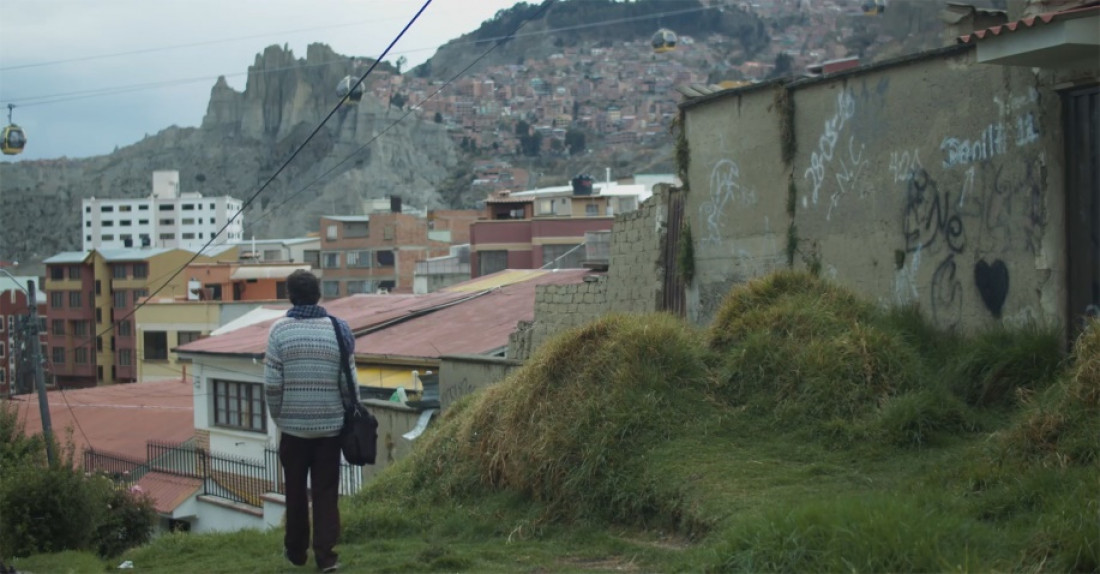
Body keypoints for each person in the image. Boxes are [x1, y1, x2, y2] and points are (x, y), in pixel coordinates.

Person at [265, 269, 359, 572]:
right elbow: (350, 383)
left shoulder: (279, 331)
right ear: (318, 294)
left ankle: (295, 553)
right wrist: (345, 414)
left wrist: (280, 416)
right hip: (329, 429)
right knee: (326, 493)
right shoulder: (338, 328)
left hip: (292, 429)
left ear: (290, 295)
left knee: (294, 491)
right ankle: (326, 556)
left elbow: (271, 384)